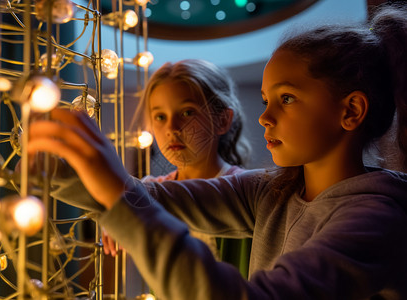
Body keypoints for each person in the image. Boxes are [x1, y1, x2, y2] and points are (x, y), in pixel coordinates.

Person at [28, 4, 407, 299]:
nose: (265, 118)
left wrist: (116, 194)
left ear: (350, 111)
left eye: (286, 98)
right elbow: (156, 196)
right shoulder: (269, 193)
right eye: (265, 100)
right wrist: (52, 169)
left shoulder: (376, 219)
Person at [102, 59, 252, 278]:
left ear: (222, 120)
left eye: (187, 112)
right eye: (160, 117)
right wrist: (115, 218)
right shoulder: (145, 192)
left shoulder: (248, 191)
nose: (172, 128)